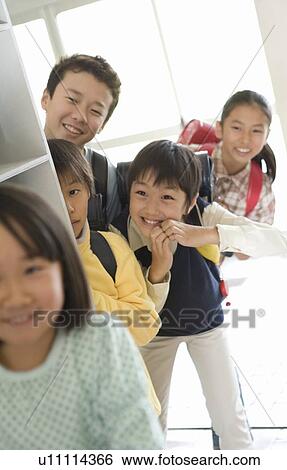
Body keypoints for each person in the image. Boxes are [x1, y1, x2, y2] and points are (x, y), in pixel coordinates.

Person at [111, 140, 287, 450]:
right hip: (153, 334)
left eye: (167, 197)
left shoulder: (204, 214)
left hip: (207, 326)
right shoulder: (119, 231)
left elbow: (276, 242)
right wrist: (158, 268)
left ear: (189, 201)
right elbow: (139, 308)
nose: (151, 208)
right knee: (149, 423)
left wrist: (207, 234)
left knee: (229, 419)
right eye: (141, 193)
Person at [0, 184, 164, 450]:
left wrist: (86, 296)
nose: (16, 296)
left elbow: (137, 443)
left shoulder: (101, 341)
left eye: (31, 270)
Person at [48, 138, 161, 348]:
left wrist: (83, 298)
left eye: (73, 192)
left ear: (89, 191)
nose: (68, 208)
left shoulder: (111, 246)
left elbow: (146, 325)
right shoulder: (21, 265)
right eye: (52, 196)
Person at [41, 54, 122, 223]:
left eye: (95, 111)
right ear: (46, 99)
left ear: (103, 125)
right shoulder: (12, 160)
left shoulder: (105, 175)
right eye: (72, 99)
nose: (80, 116)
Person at [213, 90, 275, 224]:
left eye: (256, 130)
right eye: (236, 128)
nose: (245, 140)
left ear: (266, 136)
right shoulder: (188, 159)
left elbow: (261, 241)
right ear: (219, 128)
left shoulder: (262, 194)